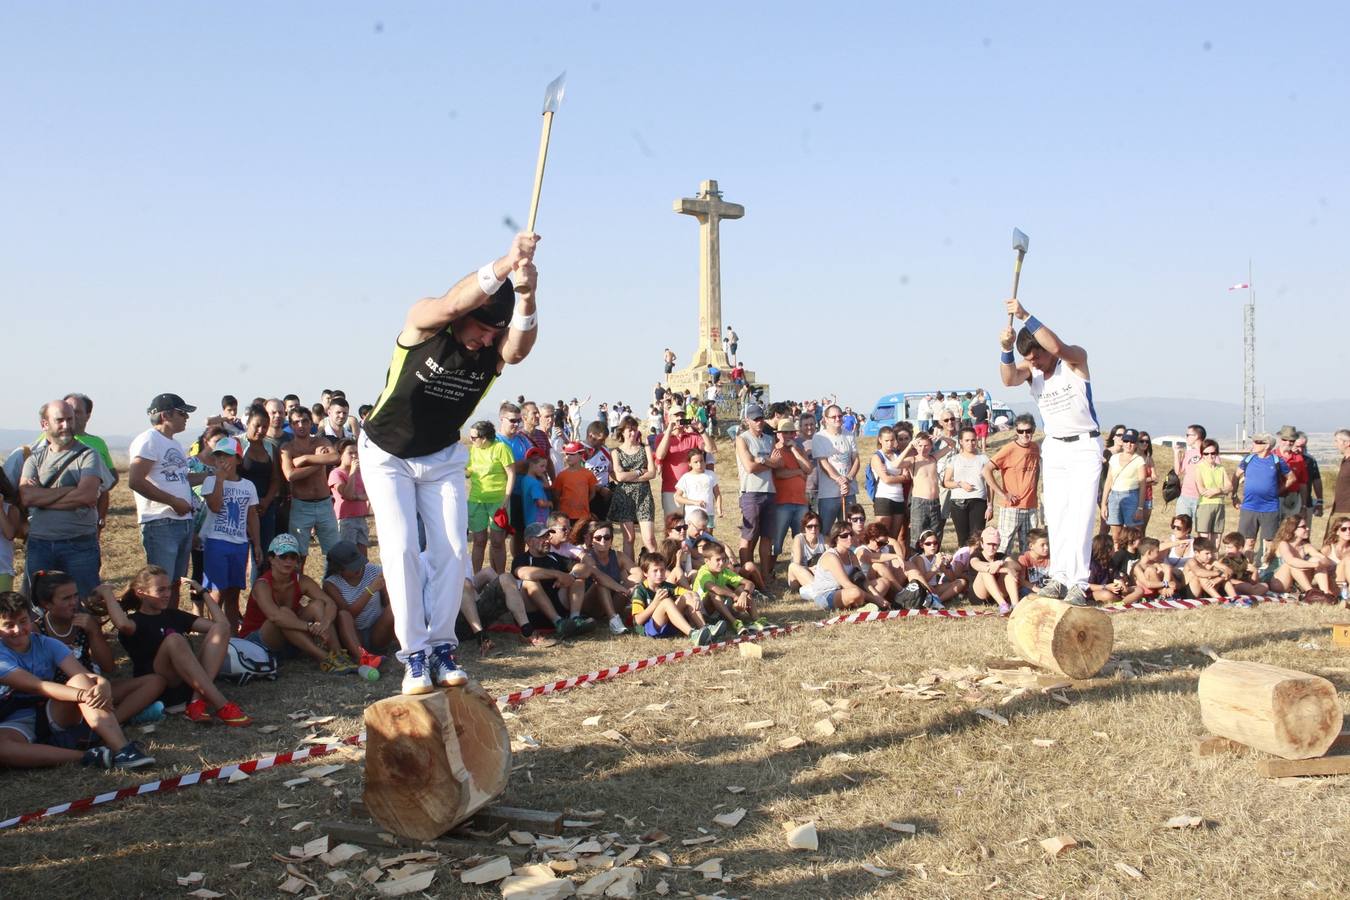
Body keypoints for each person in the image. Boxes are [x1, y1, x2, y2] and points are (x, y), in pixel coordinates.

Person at [1000, 298, 1100, 606]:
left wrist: (1024, 315)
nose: (1034, 363)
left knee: (1080, 515)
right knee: (1057, 515)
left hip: (1084, 444)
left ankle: (1078, 582)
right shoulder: (1032, 372)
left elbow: (1058, 348)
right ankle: (1059, 578)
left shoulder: (1075, 360)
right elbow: (1007, 379)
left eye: (1036, 357)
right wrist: (1005, 349)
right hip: (1055, 447)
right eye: (1028, 359)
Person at [0, 591, 156, 770]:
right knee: (3, 749)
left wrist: (102, 683)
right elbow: (37, 686)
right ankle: (88, 757)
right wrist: (85, 695)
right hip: (12, 720)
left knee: (80, 679)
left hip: (49, 710)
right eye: (8, 625)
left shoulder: (46, 643)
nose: (18, 630)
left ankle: (123, 750)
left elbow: (84, 674)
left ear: (31, 618)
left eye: (23, 621)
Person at [105, 566, 251, 726]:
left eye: (168, 589)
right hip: (158, 684)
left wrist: (203, 592)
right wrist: (107, 594)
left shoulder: (173, 615)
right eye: (160, 590)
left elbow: (222, 626)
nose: (167, 594)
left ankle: (196, 702)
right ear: (141, 592)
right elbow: (122, 624)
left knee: (221, 628)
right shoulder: (135, 621)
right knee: (174, 639)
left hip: (187, 683)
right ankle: (222, 704)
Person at [32, 572, 165, 723]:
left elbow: (108, 666)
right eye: (66, 598)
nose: (74, 602)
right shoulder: (35, 631)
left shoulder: (85, 622)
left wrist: (94, 632)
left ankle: (112, 722)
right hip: (62, 698)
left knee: (156, 681)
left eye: (75, 595)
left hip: (95, 690)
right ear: (46, 604)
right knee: (80, 684)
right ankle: (110, 722)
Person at [238, 533, 362, 673]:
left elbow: (330, 603)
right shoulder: (262, 585)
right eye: (283, 557)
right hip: (258, 644)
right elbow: (275, 617)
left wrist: (325, 623)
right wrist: (309, 627)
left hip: (289, 640)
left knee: (317, 605)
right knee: (284, 613)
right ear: (271, 559)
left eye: (293, 557)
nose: (288, 561)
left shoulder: (301, 580)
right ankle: (325, 658)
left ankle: (338, 655)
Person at [20, 400, 105, 599]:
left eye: (70, 419)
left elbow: (87, 495)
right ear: (45, 424)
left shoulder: (89, 456)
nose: (66, 425)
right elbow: (26, 496)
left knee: (84, 602)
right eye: (59, 420)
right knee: (37, 603)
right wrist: (70, 491)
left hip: (79, 544)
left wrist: (42, 496)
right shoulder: (34, 459)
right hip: (40, 543)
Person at [129, 393, 204, 604]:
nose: (186, 417)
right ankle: (157, 628)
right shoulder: (148, 440)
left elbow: (180, 478)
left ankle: (171, 627)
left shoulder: (175, 444)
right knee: (159, 583)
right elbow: (135, 480)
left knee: (174, 583)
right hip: (161, 521)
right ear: (165, 415)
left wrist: (211, 476)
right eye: (182, 413)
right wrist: (173, 501)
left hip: (182, 521)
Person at [199, 437, 262, 631]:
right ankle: (213, 633)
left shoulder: (248, 486)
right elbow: (215, 506)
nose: (221, 461)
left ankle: (233, 636)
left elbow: (252, 515)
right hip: (217, 541)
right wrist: (219, 480)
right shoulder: (211, 481)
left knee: (234, 593)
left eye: (227, 456)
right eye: (218, 457)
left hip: (239, 543)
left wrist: (257, 544)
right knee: (217, 592)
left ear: (238, 459)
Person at [513, 522, 596, 639]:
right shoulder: (522, 558)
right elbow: (522, 572)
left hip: (559, 606)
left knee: (578, 579)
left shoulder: (554, 557)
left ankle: (575, 618)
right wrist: (558, 574)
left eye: (547, 536)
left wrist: (571, 576)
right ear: (530, 542)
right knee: (529, 581)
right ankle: (558, 623)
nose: (547, 540)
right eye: (542, 537)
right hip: (534, 613)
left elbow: (585, 569)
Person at [281, 406, 340, 564]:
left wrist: (305, 458)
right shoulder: (287, 448)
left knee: (334, 552)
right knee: (298, 555)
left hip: (325, 503)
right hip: (301, 506)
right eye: (296, 422)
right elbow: (290, 475)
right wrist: (318, 462)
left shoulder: (321, 441)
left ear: (310, 423)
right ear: (291, 425)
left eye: (305, 421)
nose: (301, 425)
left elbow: (335, 457)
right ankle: (298, 587)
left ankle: (330, 587)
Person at [321, 541, 393, 664]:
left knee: (393, 608)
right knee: (343, 615)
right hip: (354, 634)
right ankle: (362, 657)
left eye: (359, 563)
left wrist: (387, 589)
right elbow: (348, 613)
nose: (359, 568)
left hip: (377, 632)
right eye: (352, 566)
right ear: (339, 570)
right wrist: (370, 590)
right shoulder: (331, 584)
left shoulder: (374, 571)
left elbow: (386, 601)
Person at [734, 404, 780, 581]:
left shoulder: (769, 439)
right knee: (749, 534)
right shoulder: (742, 439)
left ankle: (766, 574)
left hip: (769, 491)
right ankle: (747, 574)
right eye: (755, 419)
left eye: (761, 418)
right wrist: (768, 461)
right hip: (751, 491)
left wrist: (761, 459)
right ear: (747, 421)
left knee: (767, 535)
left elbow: (778, 463)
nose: (759, 422)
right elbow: (749, 467)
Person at [631, 549, 715, 644]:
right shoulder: (640, 590)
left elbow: (689, 593)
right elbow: (638, 620)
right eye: (655, 570)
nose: (659, 574)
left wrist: (696, 597)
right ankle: (693, 634)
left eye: (662, 570)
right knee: (666, 602)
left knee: (687, 596)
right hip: (650, 629)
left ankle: (705, 629)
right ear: (645, 573)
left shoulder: (665, 585)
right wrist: (655, 603)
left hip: (668, 627)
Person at [986, 413, 1041, 556]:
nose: (1024, 434)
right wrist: (1003, 494)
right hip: (1011, 507)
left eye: (1028, 431)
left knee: (1030, 550)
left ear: (1033, 430)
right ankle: (998, 577)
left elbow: (1036, 469)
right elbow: (986, 470)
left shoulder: (1035, 448)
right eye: (1020, 431)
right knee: (1003, 548)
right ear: (1016, 431)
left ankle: (1028, 577)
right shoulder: (1009, 449)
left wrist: (1035, 491)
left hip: (1031, 507)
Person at [466, 420, 516, 575]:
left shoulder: (501, 448)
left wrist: (506, 498)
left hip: (498, 501)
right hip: (476, 500)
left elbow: (511, 473)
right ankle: (477, 578)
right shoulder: (472, 450)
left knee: (497, 542)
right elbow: (468, 472)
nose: (471, 440)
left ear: (484, 437)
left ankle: (500, 578)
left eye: (474, 437)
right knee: (479, 541)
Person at [1232, 433, 1295, 557]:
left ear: (1267, 445)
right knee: (1247, 541)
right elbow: (1236, 476)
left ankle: (1266, 570)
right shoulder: (1248, 459)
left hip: (1270, 507)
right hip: (1249, 507)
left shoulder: (1277, 461)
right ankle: (1246, 569)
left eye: (1257, 442)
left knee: (1269, 542)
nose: (1254, 444)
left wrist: (1277, 491)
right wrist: (1234, 495)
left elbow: (1291, 478)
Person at [240, 406, 282, 572]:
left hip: (265, 508)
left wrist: (266, 501)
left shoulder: (270, 447)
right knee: (241, 555)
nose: (261, 430)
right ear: (248, 423)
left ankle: (259, 594)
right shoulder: (237, 443)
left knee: (263, 555)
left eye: (265, 426)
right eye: (257, 425)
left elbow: (275, 479)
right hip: (241, 507)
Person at [610, 417, 659, 556]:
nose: (633, 433)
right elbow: (619, 477)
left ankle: (654, 568)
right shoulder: (616, 452)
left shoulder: (646, 448)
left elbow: (652, 473)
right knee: (629, 538)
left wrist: (628, 476)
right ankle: (630, 571)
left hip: (644, 496)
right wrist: (638, 472)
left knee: (649, 539)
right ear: (622, 432)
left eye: (635, 430)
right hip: (625, 497)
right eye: (630, 430)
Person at [692, 543, 765, 635]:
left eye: (723, 559)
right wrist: (733, 595)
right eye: (718, 560)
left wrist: (744, 594)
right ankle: (735, 623)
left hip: (720, 608)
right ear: (707, 561)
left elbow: (749, 583)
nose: (722, 563)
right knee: (713, 594)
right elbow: (713, 588)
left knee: (741, 589)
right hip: (703, 612)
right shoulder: (704, 572)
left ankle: (757, 621)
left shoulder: (724, 571)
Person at [655, 408, 714, 520]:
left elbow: (710, 449)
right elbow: (660, 455)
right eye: (676, 415)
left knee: (694, 527)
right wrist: (669, 430)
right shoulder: (661, 438)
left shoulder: (693, 437)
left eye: (682, 415)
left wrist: (701, 429)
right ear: (668, 418)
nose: (680, 418)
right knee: (673, 527)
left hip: (693, 491)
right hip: (670, 490)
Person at [942, 426, 993, 549]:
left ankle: (975, 564)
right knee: (963, 539)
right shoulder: (954, 459)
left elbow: (990, 484)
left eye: (973, 440)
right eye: (967, 440)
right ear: (961, 441)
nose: (971, 443)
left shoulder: (983, 458)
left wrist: (990, 505)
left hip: (978, 501)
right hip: (958, 502)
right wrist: (960, 484)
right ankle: (963, 565)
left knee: (976, 538)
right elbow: (946, 482)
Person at [767, 418, 811, 557]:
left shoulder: (798, 449)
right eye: (785, 433)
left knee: (801, 539)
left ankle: (799, 565)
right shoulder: (775, 450)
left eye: (791, 433)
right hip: (782, 502)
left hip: (801, 501)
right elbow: (779, 473)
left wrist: (794, 450)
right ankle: (771, 569)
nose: (788, 436)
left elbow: (808, 468)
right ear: (778, 434)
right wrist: (798, 472)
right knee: (777, 540)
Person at [812, 404, 858, 534]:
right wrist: (839, 480)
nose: (837, 419)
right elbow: (823, 463)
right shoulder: (820, 437)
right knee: (826, 531)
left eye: (840, 416)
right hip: (829, 494)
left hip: (849, 491)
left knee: (849, 530)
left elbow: (856, 460)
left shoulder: (849, 435)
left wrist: (848, 479)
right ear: (825, 419)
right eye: (833, 417)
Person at [1099, 428, 1147, 548]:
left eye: (1131, 442)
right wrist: (1104, 504)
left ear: (1135, 443)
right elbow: (1109, 481)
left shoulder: (1139, 460)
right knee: (1116, 534)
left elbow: (1142, 485)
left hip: (1131, 495)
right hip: (1114, 496)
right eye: (1126, 441)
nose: (1128, 444)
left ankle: (1132, 559)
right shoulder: (1114, 458)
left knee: (1133, 534)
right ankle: (1117, 558)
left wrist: (1140, 507)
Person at [1264, 518, 1335, 596]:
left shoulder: (1306, 546)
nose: (1307, 528)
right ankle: (1311, 593)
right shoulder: (1283, 544)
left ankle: (1326, 593)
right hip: (1279, 582)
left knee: (1315, 559)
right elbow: (1291, 561)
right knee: (1291, 565)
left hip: (1297, 583)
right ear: (1293, 529)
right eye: (1303, 526)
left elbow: (1326, 560)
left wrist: (1322, 562)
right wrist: (1316, 564)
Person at [903, 528, 968, 609]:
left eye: (935, 543)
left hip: (934, 588)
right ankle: (935, 600)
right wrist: (936, 566)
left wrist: (948, 565)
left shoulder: (937, 557)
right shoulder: (919, 558)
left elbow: (952, 579)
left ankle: (938, 601)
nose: (932, 546)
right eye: (928, 544)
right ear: (921, 545)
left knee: (961, 582)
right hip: (921, 590)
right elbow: (923, 581)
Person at [869, 426, 912, 545]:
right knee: (880, 535)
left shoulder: (898, 455)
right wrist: (900, 478)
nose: (889, 443)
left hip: (899, 498)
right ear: (880, 440)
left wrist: (894, 477)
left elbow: (907, 476)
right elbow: (886, 479)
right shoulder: (877, 457)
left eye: (892, 440)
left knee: (893, 536)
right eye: (886, 440)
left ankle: (892, 560)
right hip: (884, 498)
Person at [968, 526, 1023, 614]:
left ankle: (1015, 605)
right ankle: (1003, 605)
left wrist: (1002, 563)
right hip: (979, 596)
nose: (991, 547)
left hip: (997, 593)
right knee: (985, 572)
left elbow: (1018, 566)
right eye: (988, 544)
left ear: (999, 545)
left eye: (995, 544)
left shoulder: (1000, 556)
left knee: (1010, 572)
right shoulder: (976, 555)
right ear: (982, 544)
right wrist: (1006, 569)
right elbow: (977, 565)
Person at [329, 438, 371, 553]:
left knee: (362, 555)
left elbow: (368, 493)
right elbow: (347, 494)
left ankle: (362, 571)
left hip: (361, 517)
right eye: (350, 453)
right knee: (348, 554)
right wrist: (352, 472)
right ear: (340, 455)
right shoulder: (336, 473)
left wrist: (358, 497)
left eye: (356, 452)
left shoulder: (361, 472)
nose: (354, 456)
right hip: (345, 519)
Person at [553, 441, 599, 541]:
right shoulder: (562, 475)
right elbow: (557, 495)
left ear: (581, 455)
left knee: (582, 541)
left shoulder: (588, 474)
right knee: (568, 541)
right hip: (566, 517)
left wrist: (583, 502)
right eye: (566, 454)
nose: (568, 457)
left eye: (572, 454)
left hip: (583, 516)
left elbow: (592, 493)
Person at [674, 447, 722, 534]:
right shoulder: (686, 477)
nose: (699, 464)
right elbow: (677, 497)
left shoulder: (711, 475)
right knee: (693, 538)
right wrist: (695, 502)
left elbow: (717, 493)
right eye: (695, 462)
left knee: (708, 539)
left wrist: (719, 508)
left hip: (708, 514)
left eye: (701, 461)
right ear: (689, 463)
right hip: (692, 515)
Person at [1192, 439, 1231, 545]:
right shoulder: (1199, 468)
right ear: (1202, 454)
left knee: (1217, 539)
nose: (1210, 456)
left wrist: (1218, 490)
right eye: (1206, 453)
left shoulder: (1221, 468)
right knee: (1204, 539)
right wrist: (1222, 491)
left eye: (1213, 453)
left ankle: (1215, 559)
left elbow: (1229, 486)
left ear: (1216, 454)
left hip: (1219, 505)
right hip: (1205, 505)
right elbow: (1202, 491)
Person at [1274, 425, 1309, 522]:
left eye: (1291, 441)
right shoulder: (1271, 456)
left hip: (1293, 499)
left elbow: (1303, 483)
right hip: (1275, 498)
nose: (1288, 443)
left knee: (1291, 529)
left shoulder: (1299, 459)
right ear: (1280, 439)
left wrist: (1304, 505)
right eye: (1285, 439)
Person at [1173, 424, 1207, 522]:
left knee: (1200, 529)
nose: (1186, 437)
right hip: (1185, 497)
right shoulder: (1189, 453)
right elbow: (1178, 471)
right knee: (1182, 527)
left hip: (1201, 498)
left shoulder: (1209, 452)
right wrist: (1176, 453)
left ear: (1196, 436)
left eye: (1188, 435)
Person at [787, 511, 826, 590]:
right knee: (792, 566)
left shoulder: (824, 539)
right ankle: (819, 589)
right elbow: (797, 564)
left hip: (818, 575)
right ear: (804, 528)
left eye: (816, 526)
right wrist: (810, 569)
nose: (813, 529)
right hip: (798, 577)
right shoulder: (799, 539)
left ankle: (818, 588)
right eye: (809, 526)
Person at [1331, 429, 1350, 518]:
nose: (1335, 445)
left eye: (1337, 441)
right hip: (1339, 508)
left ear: (1346, 443)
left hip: (1347, 511)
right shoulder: (1345, 460)